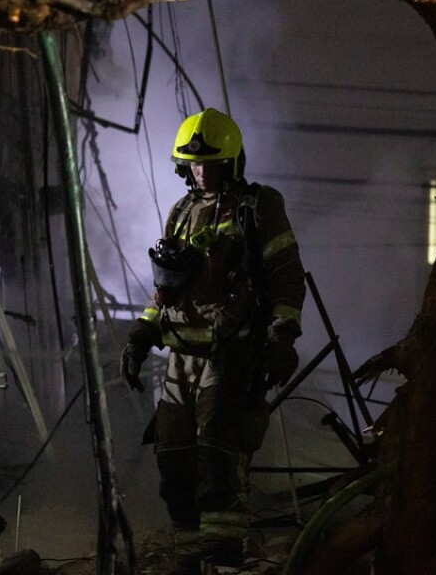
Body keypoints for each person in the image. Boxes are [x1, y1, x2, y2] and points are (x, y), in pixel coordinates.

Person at [119, 108, 305, 574]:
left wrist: (283, 337)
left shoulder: (257, 206)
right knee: (174, 458)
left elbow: (286, 277)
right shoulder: (181, 212)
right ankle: (188, 559)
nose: (201, 171)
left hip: (231, 352)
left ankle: (222, 560)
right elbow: (165, 291)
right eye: (193, 163)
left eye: (211, 163)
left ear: (233, 162)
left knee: (219, 459)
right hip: (180, 356)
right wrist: (141, 335)